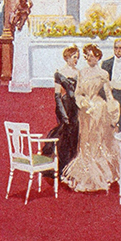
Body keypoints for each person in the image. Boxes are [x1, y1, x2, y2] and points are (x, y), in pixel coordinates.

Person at [62, 44, 121, 193]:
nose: (90, 58)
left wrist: (113, 107)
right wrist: (82, 101)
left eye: (93, 55)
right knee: (85, 140)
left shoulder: (103, 73)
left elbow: (108, 95)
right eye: (87, 55)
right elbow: (78, 93)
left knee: (97, 139)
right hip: (85, 110)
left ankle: (100, 174)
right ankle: (85, 172)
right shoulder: (82, 72)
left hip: (99, 108)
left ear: (98, 56)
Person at [48, 45, 80, 173]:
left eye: (77, 58)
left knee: (75, 136)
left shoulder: (78, 72)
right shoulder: (59, 72)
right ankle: (62, 168)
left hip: (76, 106)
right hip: (64, 106)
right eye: (74, 57)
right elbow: (57, 95)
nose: (76, 60)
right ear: (67, 58)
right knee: (64, 136)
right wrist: (63, 113)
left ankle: (72, 170)